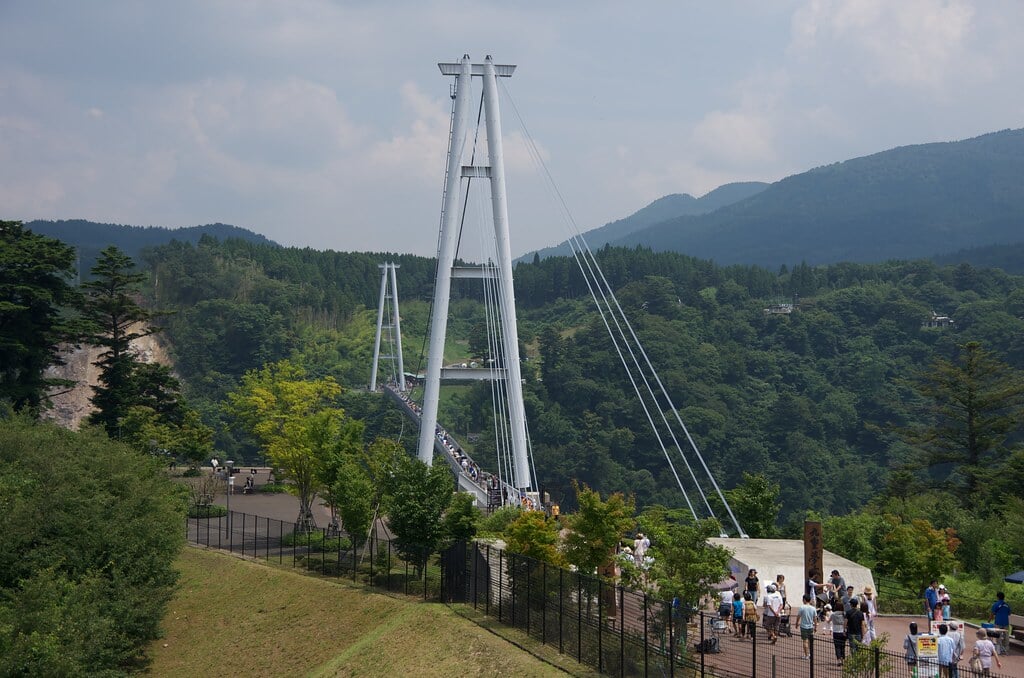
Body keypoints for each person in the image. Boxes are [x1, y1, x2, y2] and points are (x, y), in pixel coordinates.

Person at [989, 591, 1011, 656]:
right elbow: (1009, 613)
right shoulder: (1007, 605)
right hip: (1006, 623)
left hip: (998, 622)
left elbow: (992, 613)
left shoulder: (995, 604)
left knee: (998, 636)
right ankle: (1006, 650)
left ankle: (998, 651)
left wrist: (989, 621)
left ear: (998, 597)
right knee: (1006, 636)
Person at [798, 594, 817, 660]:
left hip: (803, 626)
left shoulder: (802, 607)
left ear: (804, 600)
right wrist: (816, 626)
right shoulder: (813, 608)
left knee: (805, 641)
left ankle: (806, 655)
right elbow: (815, 618)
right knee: (810, 641)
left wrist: (797, 623)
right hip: (811, 626)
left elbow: (798, 616)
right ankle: (810, 654)